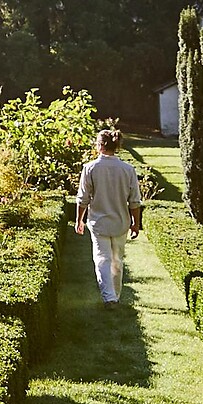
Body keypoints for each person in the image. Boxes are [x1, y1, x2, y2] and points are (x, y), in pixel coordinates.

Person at [76, 127, 144, 305]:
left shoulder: (90, 168)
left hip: (98, 222)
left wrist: (79, 220)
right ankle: (115, 295)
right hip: (120, 222)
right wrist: (136, 223)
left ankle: (110, 297)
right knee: (117, 260)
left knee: (102, 259)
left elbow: (83, 199)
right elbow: (135, 201)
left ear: (100, 146)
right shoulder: (128, 169)